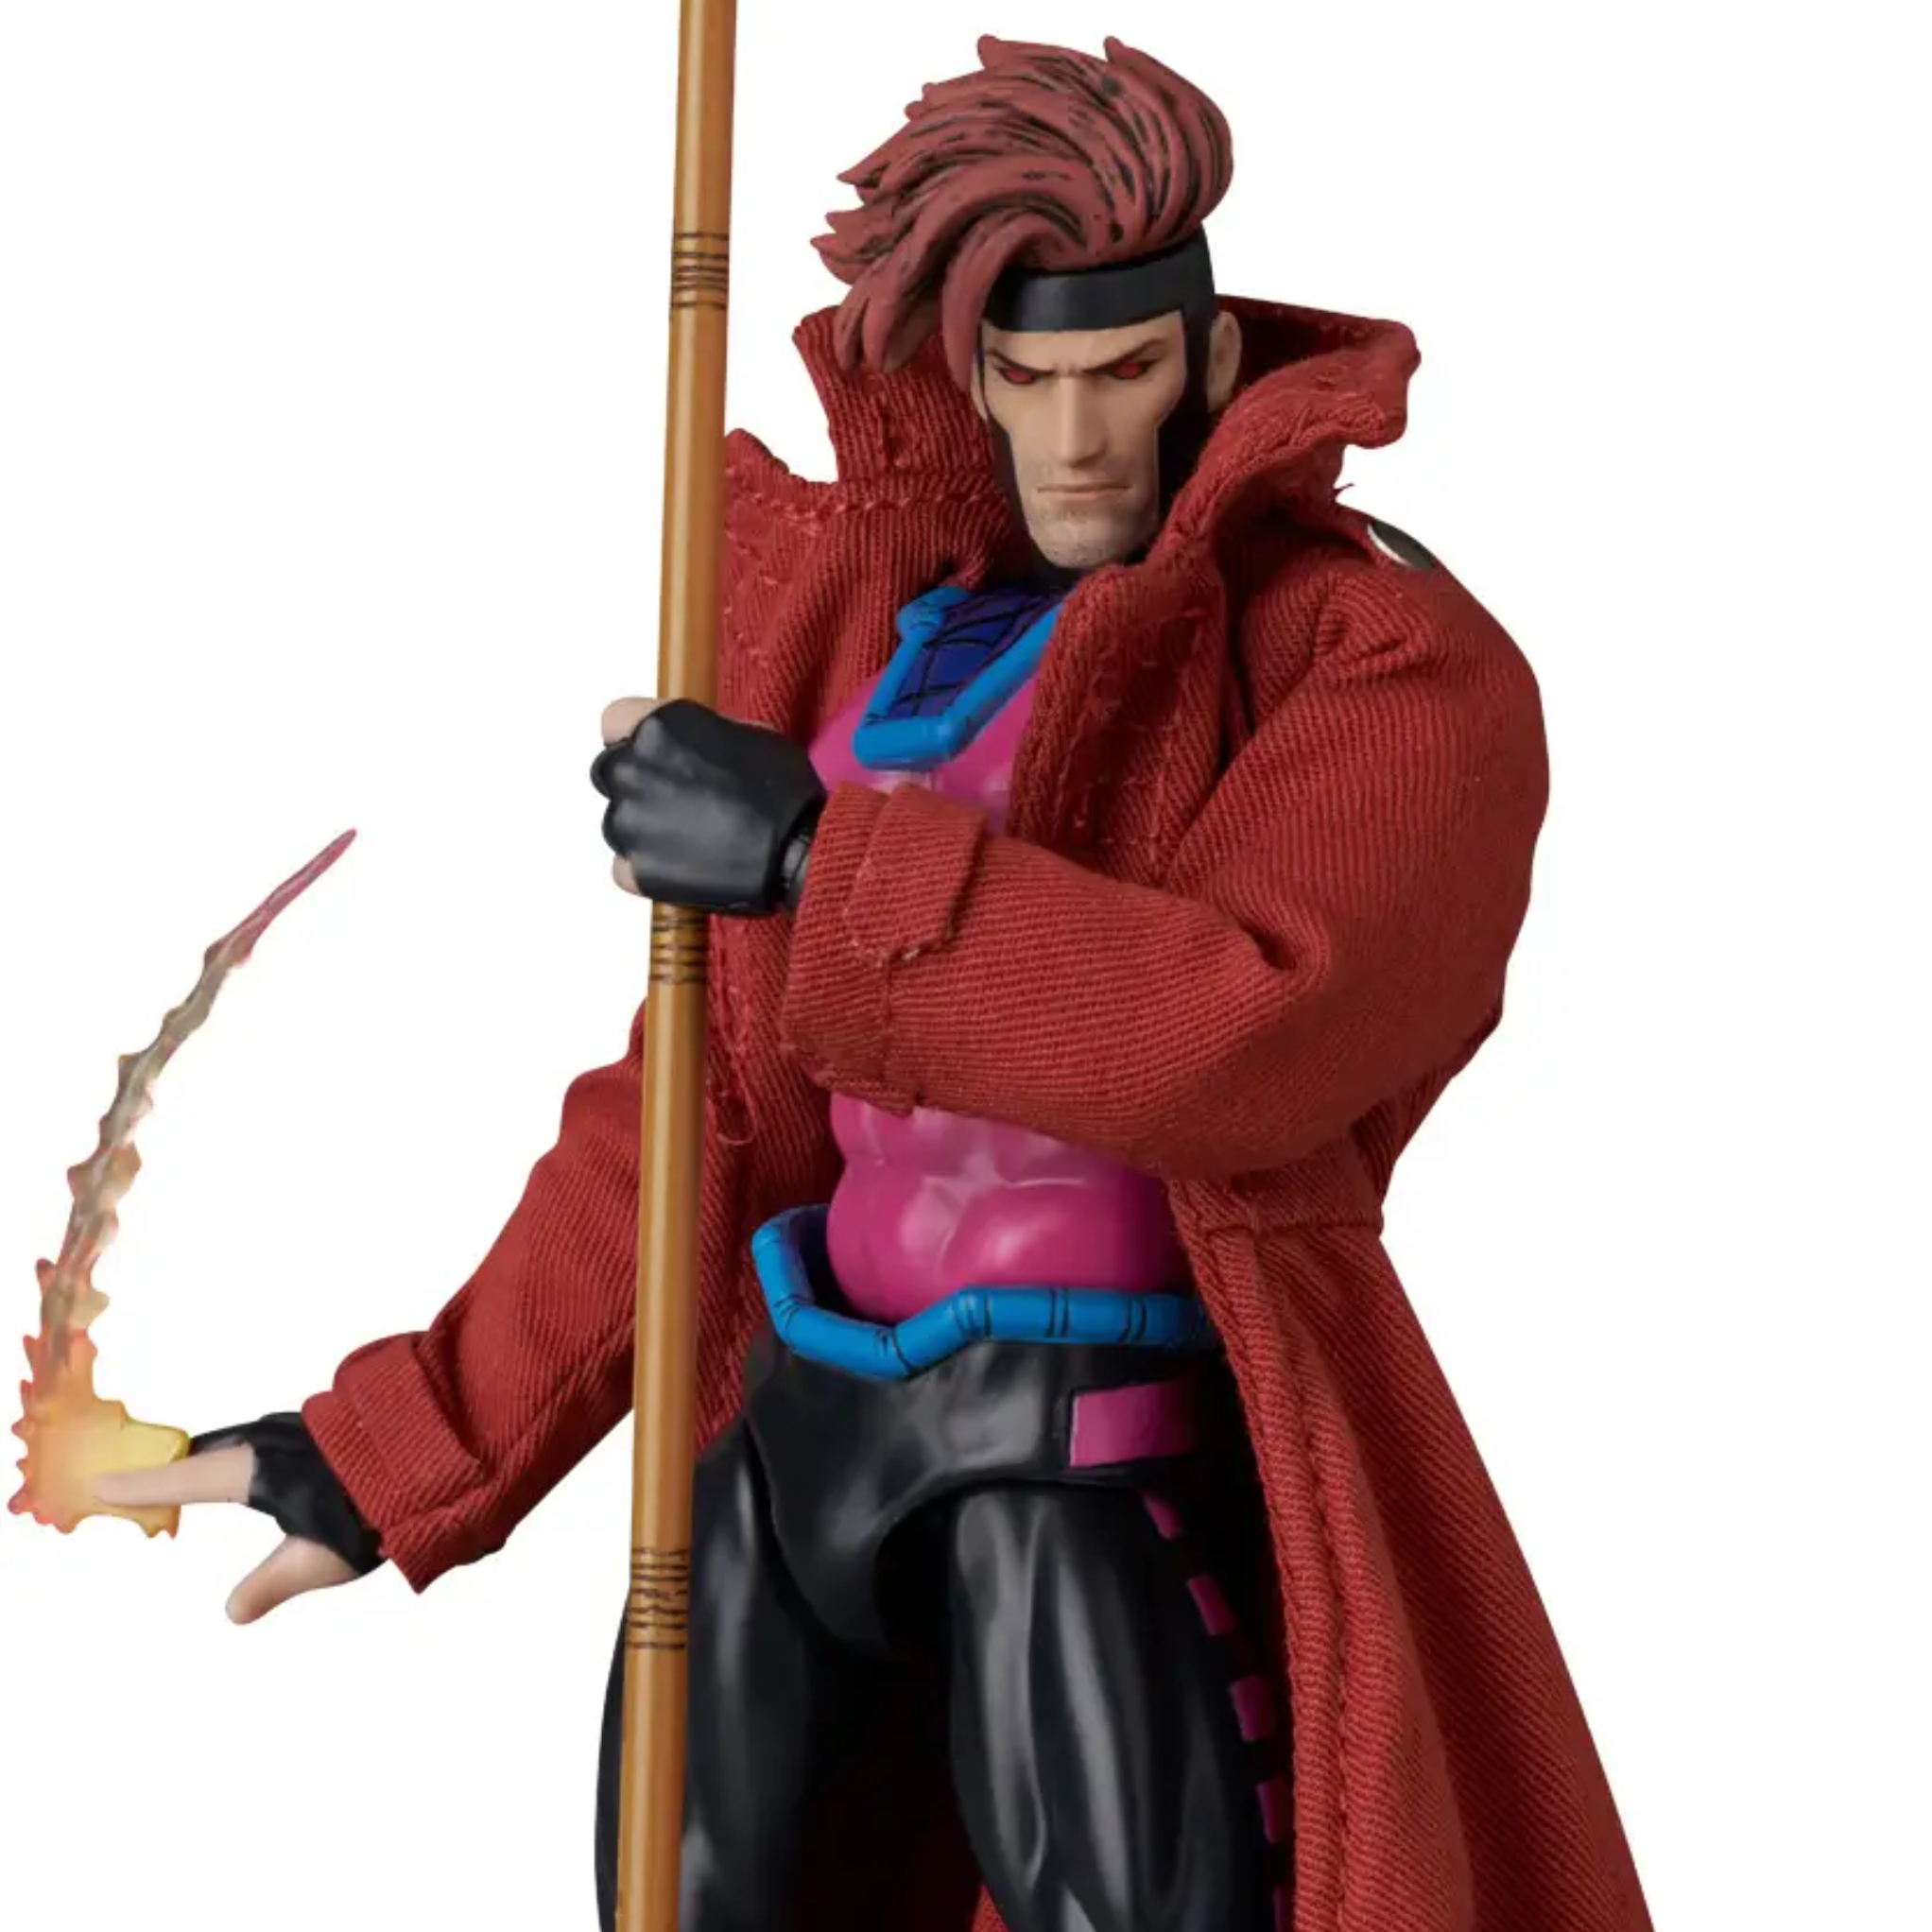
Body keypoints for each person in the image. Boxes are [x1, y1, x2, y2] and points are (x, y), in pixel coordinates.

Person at [98, 35, 1654, 1932]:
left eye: (1123, 372)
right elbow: (704, 1111)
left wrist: (807, 860)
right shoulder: (888, 637)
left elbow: (1231, 1033)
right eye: (1030, 378)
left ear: (1210, 357)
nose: (1077, 439)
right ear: (968, 374)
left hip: (1078, 1446)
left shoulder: (1369, 654)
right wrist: (393, 1448)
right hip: (801, 1426)